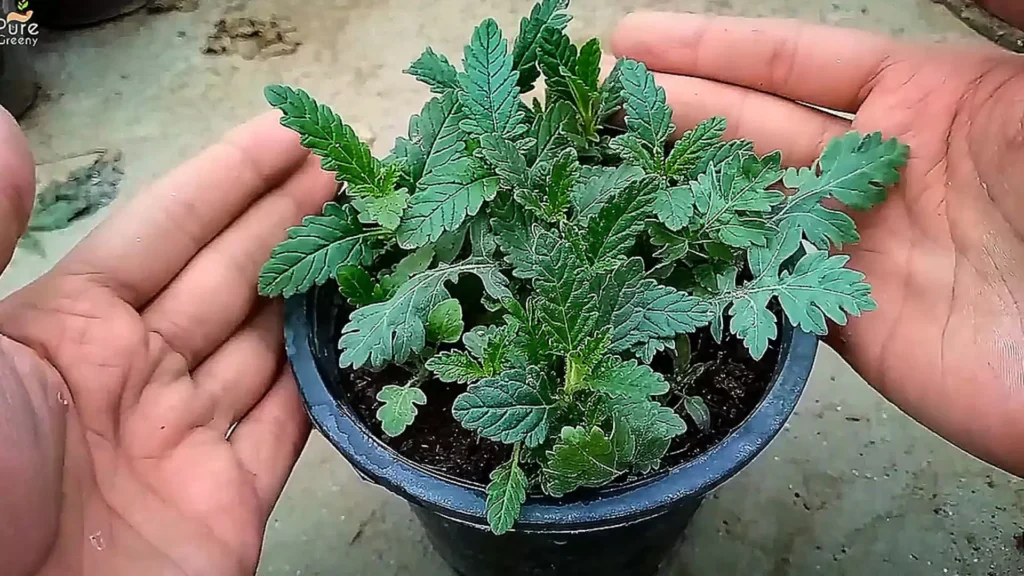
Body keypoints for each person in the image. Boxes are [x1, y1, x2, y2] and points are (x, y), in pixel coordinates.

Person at [0, 12, 1021, 576]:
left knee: (662, 310)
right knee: (439, 319)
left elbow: (636, 276)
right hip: (542, 323)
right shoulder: (471, 243)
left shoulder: (614, 266)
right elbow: (444, 296)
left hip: (586, 322)